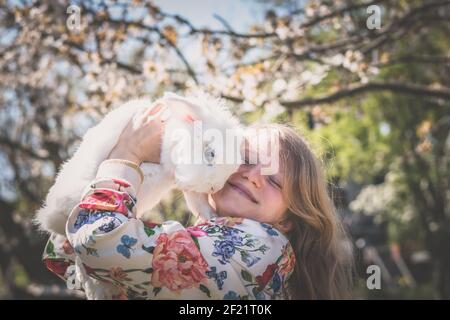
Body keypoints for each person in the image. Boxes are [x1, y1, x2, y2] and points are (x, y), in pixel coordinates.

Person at [42, 103, 354, 299]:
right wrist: (163, 172)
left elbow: (98, 243)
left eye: (274, 180)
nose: (253, 176)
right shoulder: (203, 239)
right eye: (245, 159)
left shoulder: (264, 247)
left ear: (288, 219)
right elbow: (66, 253)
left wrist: (128, 154)